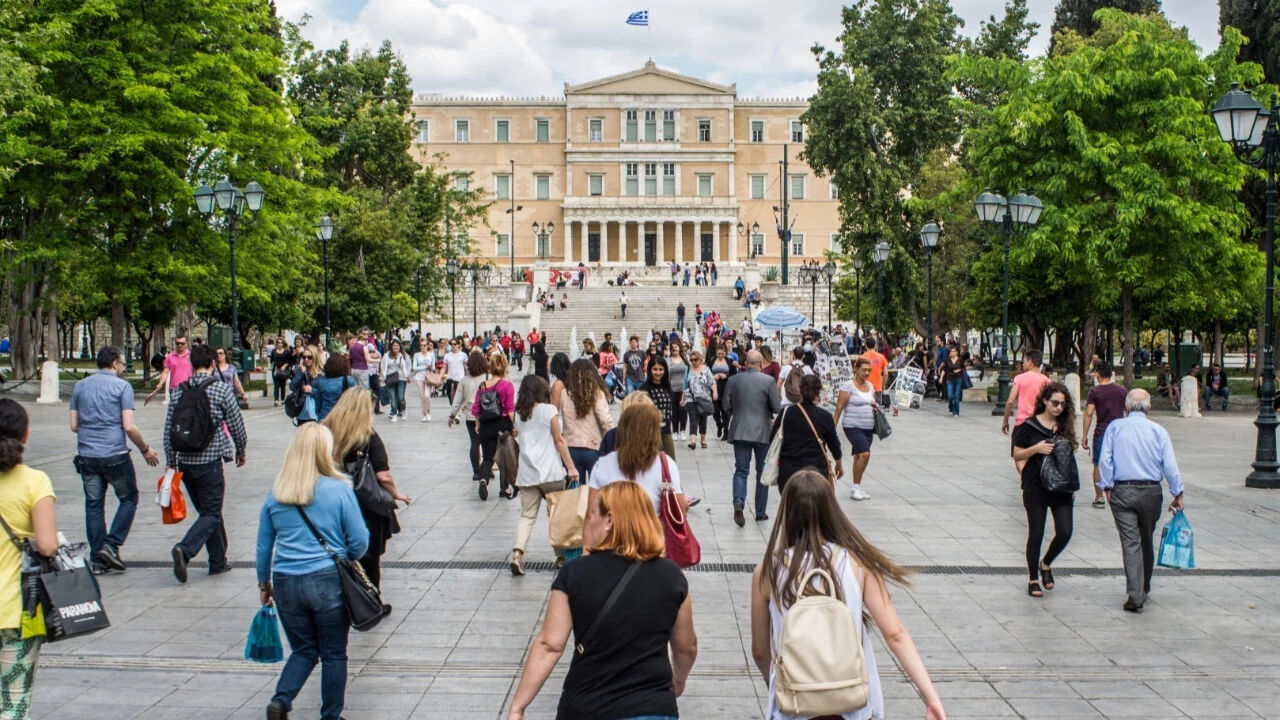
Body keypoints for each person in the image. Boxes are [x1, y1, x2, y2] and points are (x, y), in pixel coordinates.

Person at [750, 470, 946, 720]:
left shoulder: (767, 570)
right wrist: (931, 697)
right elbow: (895, 634)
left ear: (786, 512)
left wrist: (778, 684)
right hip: (852, 703)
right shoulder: (858, 562)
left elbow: (759, 650)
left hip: (793, 706)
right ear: (831, 509)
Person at [507, 481, 697, 720]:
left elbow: (549, 645)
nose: (589, 522)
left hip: (587, 706)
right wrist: (678, 680)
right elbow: (686, 647)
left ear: (609, 520)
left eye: (592, 514)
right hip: (652, 707)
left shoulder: (575, 574)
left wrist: (518, 707)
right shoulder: (672, 577)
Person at [256, 423, 369, 720]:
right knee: (333, 653)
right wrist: (345, 559)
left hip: (285, 582)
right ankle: (330, 716)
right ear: (325, 451)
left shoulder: (277, 494)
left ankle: (281, 701)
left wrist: (263, 584)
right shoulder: (339, 490)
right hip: (327, 579)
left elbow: (263, 546)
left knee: (304, 649)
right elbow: (360, 540)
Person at [70, 346, 160, 574]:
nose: (123, 366)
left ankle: (98, 560)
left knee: (93, 505)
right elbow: (128, 426)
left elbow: (73, 425)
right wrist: (145, 448)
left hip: (87, 454)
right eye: (121, 363)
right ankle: (111, 545)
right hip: (114, 454)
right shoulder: (122, 387)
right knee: (129, 498)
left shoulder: (80, 386)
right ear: (112, 364)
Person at [164, 343, 247, 584]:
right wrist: (241, 449)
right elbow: (236, 423)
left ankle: (218, 562)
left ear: (192, 364)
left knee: (209, 513)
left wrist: (171, 461)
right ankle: (185, 549)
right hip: (210, 462)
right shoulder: (220, 390)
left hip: (186, 464)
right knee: (210, 513)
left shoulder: (179, 390)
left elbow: (169, 428)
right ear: (212, 364)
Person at [1098, 389, 1185, 612]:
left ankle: (1135, 593)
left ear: (1126, 408)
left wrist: (1106, 486)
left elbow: (1105, 460)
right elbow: (1170, 465)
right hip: (1151, 492)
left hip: (1123, 490)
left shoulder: (1115, 428)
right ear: (1149, 407)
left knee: (1130, 541)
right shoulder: (1158, 431)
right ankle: (1143, 586)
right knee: (1146, 537)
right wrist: (1178, 492)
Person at [0, 399, 59, 716]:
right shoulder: (35, 482)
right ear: (25, 435)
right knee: (12, 703)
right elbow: (48, 546)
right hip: (16, 612)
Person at [323, 389, 410, 589]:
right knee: (370, 559)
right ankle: (370, 598)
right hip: (366, 504)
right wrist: (395, 494)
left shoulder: (326, 432)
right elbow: (383, 475)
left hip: (333, 502)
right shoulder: (369, 437)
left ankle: (346, 594)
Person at [507, 376, 579, 575]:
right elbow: (559, 440)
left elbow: (519, 438)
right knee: (556, 516)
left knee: (527, 516)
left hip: (527, 473)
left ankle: (517, 553)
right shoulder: (549, 411)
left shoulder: (520, 414)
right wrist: (571, 467)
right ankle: (561, 557)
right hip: (551, 473)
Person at [1012, 382, 1077, 599]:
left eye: (1063, 404)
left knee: (1065, 531)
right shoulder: (1027, 426)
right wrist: (1036, 449)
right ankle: (1032, 578)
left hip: (1061, 487)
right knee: (1036, 533)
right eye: (1055, 403)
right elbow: (1017, 455)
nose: (1059, 407)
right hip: (1035, 485)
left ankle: (1046, 563)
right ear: (1044, 402)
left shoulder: (1065, 426)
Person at [590, 404, 689, 516]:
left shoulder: (602, 464)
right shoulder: (665, 464)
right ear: (654, 433)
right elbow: (680, 507)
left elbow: (591, 512)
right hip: (652, 530)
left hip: (611, 530)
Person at [723, 350, 781, 526]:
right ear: (761, 364)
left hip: (740, 430)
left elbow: (725, 405)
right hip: (763, 431)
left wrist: (738, 412)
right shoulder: (768, 381)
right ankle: (760, 512)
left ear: (746, 363)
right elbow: (777, 407)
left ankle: (739, 502)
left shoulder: (733, 380)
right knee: (761, 471)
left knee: (741, 470)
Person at [769, 374, 843, 490]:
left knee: (790, 506)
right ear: (819, 392)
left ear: (800, 390)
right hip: (817, 470)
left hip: (789, 470)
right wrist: (839, 464)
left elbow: (772, 438)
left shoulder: (786, 412)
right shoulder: (825, 416)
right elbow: (834, 444)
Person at [1082, 361, 1127, 509]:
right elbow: (1129, 410)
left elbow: (1089, 413)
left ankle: (1099, 497)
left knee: (1098, 464)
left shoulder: (1095, 392)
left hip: (1102, 432)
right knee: (1119, 463)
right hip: (1119, 433)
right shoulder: (1122, 391)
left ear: (1098, 375)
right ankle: (1118, 495)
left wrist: (1084, 435)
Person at [560, 358, 613, 484]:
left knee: (577, 493)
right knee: (598, 490)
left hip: (570, 447)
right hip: (593, 446)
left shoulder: (564, 393)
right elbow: (605, 420)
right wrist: (611, 440)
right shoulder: (596, 393)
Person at [833, 356, 878, 502]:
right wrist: (832, 427)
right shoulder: (848, 386)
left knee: (859, 457)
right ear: (856, 369)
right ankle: (855, 487)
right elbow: (839, 407)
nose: (867, 373)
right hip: (852, 426)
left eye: (869, 370)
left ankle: (856, 486)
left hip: (868, 427)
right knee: (865, 454)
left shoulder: (870, 386)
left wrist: (875, 406)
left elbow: (872, 401)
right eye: (864, 370)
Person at [474, 352, 517, 501]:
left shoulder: (482, 386)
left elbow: (476, 409)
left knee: (487, 457)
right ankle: (504, 489)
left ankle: (483, 480)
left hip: (486, 425)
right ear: (505, 366)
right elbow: (510, 409)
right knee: (504, 458)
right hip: (503, 424)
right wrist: (515, 426)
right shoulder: (507, 385)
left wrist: (478, 425)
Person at [448, 350, 489, 482]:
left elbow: (457, 400)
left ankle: (476, 472)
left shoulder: (464, 380)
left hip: (471, 416)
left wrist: (452, 415)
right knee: (488, 444)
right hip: (487, 416)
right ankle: (486, 468)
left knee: (474, 444)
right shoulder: (487, 378)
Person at [1002, 350, 1050, 439]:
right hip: (1040, 424)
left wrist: (1005, 421)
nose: (1022, 364)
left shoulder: (1019, 379)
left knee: (1018, 452)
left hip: (1022, 423)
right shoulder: (1046, 381)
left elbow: (1010, 401)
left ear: (1030, 362)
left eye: (1024, 362)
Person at [640, 355, 678, 459]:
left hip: (666, 432)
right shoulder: (644, 388)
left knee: (671, 463)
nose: (658, 372)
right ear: (650, 370)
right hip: (650, 433)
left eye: (661, 369)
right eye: (655, 369)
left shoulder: (667, 386)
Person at [144, 333, 192, 405]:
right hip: (174, 389)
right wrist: (160, 383)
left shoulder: (192, 356)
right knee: (175, 413)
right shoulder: (170, 356)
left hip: (189, 388)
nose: (180, 345)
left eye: (182, 343)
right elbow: (165, 372)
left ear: (186, 344)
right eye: (177, 343)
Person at [683, 350, 716, 450]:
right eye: (691, 360)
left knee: (702, 418)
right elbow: (684, 385)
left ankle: (703, 439)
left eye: (695, 360)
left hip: (704, 398)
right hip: (690, 398)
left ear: (700, 359)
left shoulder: (706, 369)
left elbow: (712, 382)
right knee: (693, 418)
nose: (693, 362)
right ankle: (693, 441)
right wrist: (682, 398)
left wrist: (715, 392)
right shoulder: (688, 369)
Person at [377, 339, 410, 422]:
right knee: (393, 397)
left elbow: (405, 367)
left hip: (401, 378)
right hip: (390, 378)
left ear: (400, 347)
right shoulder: (387, 355)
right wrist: (382, 378)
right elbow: (383, 367)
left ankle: (403, 410)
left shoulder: (402, 355)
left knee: (400, 397)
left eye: (397, 346)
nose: (396, 347)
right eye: (394, 346)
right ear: (391, 347)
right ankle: (394, 414)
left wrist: (407, 376)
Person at [710, 346, 736, 440]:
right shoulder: (712, 361)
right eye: (719, 354)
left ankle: (726, 432)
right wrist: (713, 376)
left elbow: (734, 375)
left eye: (722, 354)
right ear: (716, 352)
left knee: (725, 412)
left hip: (726, 388)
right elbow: (707, 373)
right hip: (714, 388)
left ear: (725, 353)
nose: (720, 355)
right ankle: (719, 424)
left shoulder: (729, 361)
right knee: (715, 411)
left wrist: (726, 376)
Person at [667, 343, 689, 441]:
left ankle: (683, 430)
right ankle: (675, 431)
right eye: (672, 347)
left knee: (683, 410)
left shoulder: (685, 359)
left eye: (676, 347)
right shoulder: (668, 360)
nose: (674, 348)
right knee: (674, 411)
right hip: (672, 389)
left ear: (679, 348)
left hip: (683, 389)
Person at [939, 346, 966, 417]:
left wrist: (959, 370)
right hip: (950, 379)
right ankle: (950, 408)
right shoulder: (947, 360)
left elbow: (963, 369)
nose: (952, 352)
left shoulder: (960, 360)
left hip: (958, 379)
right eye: (951, 351)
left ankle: (956, 412)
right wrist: (941, 378)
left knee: (956, 396)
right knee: (950, 396)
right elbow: (944, 369)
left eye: (953, 351)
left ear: (957, 352)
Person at [862, 337, 889, 407]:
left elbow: (856, 372)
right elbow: (885, 374)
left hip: (864, 388)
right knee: (877, 411)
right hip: (877, 388)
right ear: (875, 345)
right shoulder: (881, 357)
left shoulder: (862, 357)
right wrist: (883, 386)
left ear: (866, 345)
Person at [442, 339, 467, 404]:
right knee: (449, 394)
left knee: (457, 394)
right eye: (451, 344)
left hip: (459, 378)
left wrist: (469, 376)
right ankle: (453, 408)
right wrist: (440, 376)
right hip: (450, 377)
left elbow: (466, 367)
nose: (453, 345)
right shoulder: (447, 355)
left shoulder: (463, 355)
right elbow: (444, 367)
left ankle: (456, 410)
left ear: (458, 345)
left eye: (455, 344)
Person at [271, 338, 294, 407]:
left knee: (283, 385)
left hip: (283, 371)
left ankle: (283, 399)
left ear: (283, 344)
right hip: (275, 370)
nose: (280, 344)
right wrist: (272, 367)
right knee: (276, 385)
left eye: (281, 343)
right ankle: (276, 400)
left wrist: (285, 365)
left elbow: (289, 361)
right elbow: (271, 361)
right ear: (276, 344)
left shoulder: (286, 352)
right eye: (278, 343)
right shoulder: (274, 351)